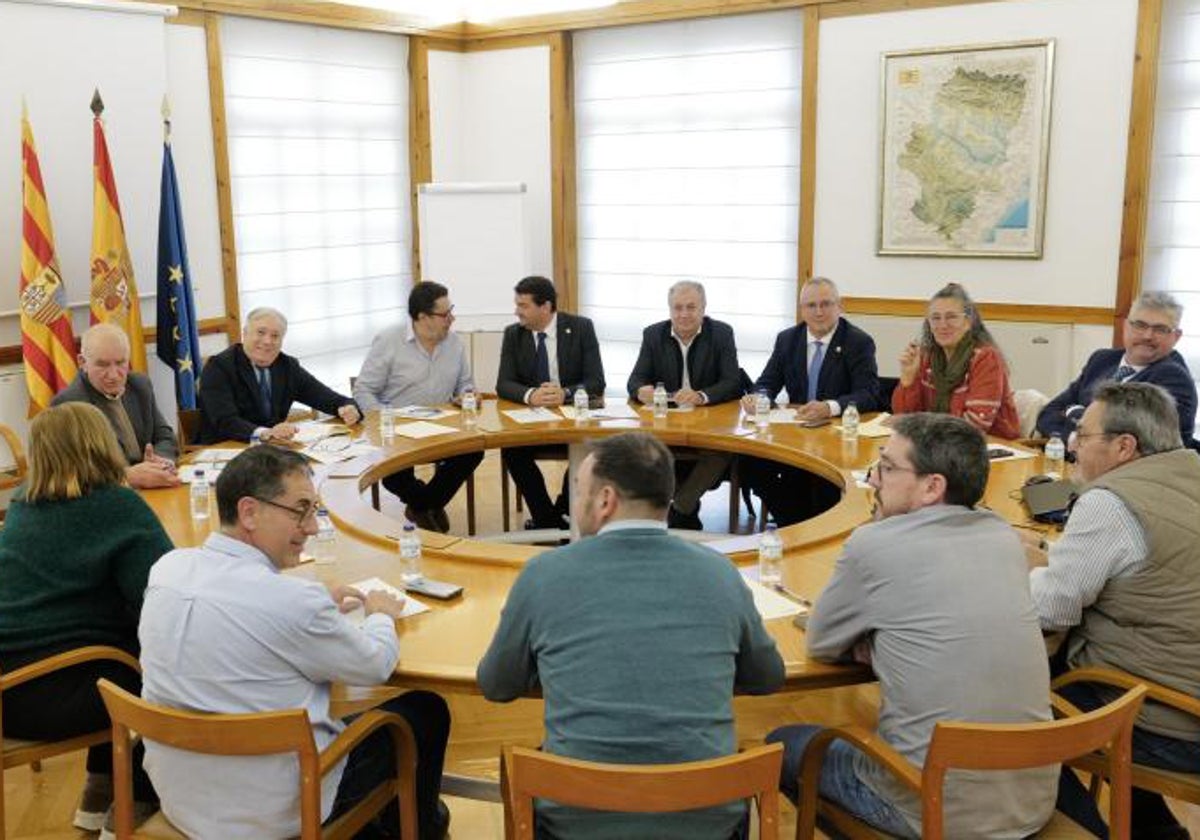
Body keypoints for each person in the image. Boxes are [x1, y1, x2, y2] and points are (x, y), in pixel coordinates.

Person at [478, 432, 784, 839]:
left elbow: (497, 685)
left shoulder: (543, 574)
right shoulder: (720, 574)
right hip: (706, 820)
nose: (576, 501)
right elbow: (767, 677)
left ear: (605, 500)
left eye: (579, 490)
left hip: (577, 821)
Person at [138, 445, 450, 839]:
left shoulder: (168, 569)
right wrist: (381, 617)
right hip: (278, 809)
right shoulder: (292, 603)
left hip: (183, 795)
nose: (313, 526)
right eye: (300, 510)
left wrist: (316, 607)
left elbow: (246, 614)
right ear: (249, 511)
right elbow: (374, 665)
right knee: (424, 712)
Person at [768, 413, 1056, 838]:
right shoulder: (1003, 537)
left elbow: (821, 643)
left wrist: (875, 640)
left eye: (886, 467)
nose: (874, 480)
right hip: (1031, 796)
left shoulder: (874, 544)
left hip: (936, 809)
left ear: (931, 487)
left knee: (784, 744)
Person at [1025, 382, 1200, 838]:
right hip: (1182, 690)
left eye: (1084, 436)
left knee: (1008, 703)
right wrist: (1051, 555)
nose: (1074, 447)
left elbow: (1052, 609)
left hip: (1173, 722)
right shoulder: (1191, 472)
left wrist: (1022, 569)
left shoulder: (1110, 502)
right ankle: (1157, 829)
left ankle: (1087, 832)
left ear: (1125, 446)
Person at [0, 403, 173, 834]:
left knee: (116, 655)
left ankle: (97, 797)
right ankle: (129, 809)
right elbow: (164, 597)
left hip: (8, 694)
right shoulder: (116, 505)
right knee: (166, 671)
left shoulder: (22, 504)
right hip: (60, 694)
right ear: (101, 445)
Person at [744, 277, 881, 525]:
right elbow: (767, 381)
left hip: (837, 438)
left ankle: (806, 525)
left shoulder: (858, 342)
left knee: (822, 483)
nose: (819, 312)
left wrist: (829, 407)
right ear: (801, 310)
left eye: (826, 304)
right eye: (811, 305)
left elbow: (869, 393)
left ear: (840, 306)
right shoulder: (788, 339)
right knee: (751, 464)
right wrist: (759, 397)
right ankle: (796, 523)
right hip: (795, 435)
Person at [354, 281, 484, 532]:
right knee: (393, 475)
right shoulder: (389, 341)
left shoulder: (454, 343)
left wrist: (467, 394)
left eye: (451, 310)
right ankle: (428, 506)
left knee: (473, 451)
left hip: (444, 426)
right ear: (422, 317)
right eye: (445, 314)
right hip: (399, 429)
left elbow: (465, 384)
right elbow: (364, 390)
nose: (452, 318)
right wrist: (384, 420)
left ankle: (422, 505)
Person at [626, 280, 741, 528]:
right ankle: (684, 514)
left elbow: (733, 382)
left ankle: (680, 509)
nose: (684, 314)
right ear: (670, 310)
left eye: (691, 307)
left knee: (721, 451)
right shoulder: (653, 334)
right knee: (647, 451)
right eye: (678, 308)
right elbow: (634, 380)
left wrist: (701, 396)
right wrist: (640, 390)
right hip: (668, 426)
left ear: (703, 308)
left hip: (710, 424)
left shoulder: (721, 334)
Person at [495, 275, 606, 530]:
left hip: (573, 418)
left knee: (590, 448)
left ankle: (562, 510)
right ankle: (548, 520)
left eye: (523, 306)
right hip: (532, 422)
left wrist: (565, 393)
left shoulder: (581, 328)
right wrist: (530, 395)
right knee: (512, 450)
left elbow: (596, 381)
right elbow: (503, 383)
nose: (517, 312)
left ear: (545, 307)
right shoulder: (514, 334)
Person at [1036, 291, 1196, 448]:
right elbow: (1048, 413)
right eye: (1140, 325)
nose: (1148, 335)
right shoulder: (1102, 360)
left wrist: (1074, 415)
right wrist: (1074, 438)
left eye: (1160, 329)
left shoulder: (1173, 378)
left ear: (1176, 337)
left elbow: (1133, 444)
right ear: (1126, 326)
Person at [197, 306, 362, 444]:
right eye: (261, 332)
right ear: (245, 333)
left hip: (272, 452)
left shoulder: (287, 366)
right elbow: (225, 422)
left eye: (275, 336)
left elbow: (329, 398)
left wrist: (347, 408)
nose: (267, 341)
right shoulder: (219, 367)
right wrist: (266, 433)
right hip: (225, 451)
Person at [51, 323, 179, 489]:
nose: (113, 375)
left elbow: (165, 436)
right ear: (82, 362)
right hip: (106, 496)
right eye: (102, 365)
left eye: (120, 363)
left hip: (152, 487)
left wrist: (160, 461)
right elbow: (73, 471)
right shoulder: (68, 404)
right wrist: (126, 476)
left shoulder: (140, 385)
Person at [892, 282, 1020, 439]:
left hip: (990, 449)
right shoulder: (926, 357)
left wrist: (924, 428)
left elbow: (973, 426)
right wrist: (907, 378)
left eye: (951, 317)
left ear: (968, 322)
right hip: (938, 445)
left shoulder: (986, 358)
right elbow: (903, 419)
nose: (943, 325)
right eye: (935, 318)